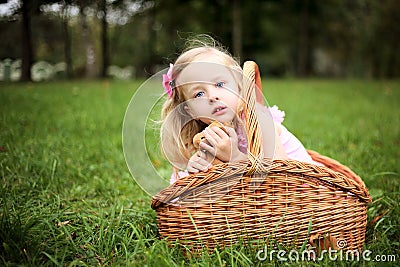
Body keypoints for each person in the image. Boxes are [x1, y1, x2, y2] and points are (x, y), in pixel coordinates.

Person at [160, 37, 316, 184]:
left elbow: (281, 178)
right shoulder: (210, 135)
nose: (212, 96)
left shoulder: (259, 122)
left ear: (239, 87)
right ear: (191, 112)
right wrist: (197, 168)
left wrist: (234, 156)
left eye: (220, 84)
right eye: (199, 94)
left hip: (307, 187)